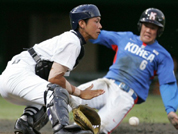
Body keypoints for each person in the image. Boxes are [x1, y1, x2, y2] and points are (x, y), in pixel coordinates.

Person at [0, 4, 104, 134]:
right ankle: (62, 130)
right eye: (96, 21)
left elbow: (53, 81)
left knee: (53, 97)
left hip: (14, 79)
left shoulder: (71, 40)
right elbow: (55, 79)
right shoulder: (73, 41)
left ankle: (25, 125)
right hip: (18, 75)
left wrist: (73, 101)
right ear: (82, 23)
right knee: (56, 92)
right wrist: (79, 93)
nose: (100, 26)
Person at [71, 8, 178, 133]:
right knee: (67, 98)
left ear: (159, 31)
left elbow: (167, 83)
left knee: (97, 128)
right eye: (146, 25)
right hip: (106, 84)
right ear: (140, 25)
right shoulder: (126, 38)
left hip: (125, 96)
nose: (148, 30)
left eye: (153, 27)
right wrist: (81, 27)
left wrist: (170, 110)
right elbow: (97, 35)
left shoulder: (162, 56)